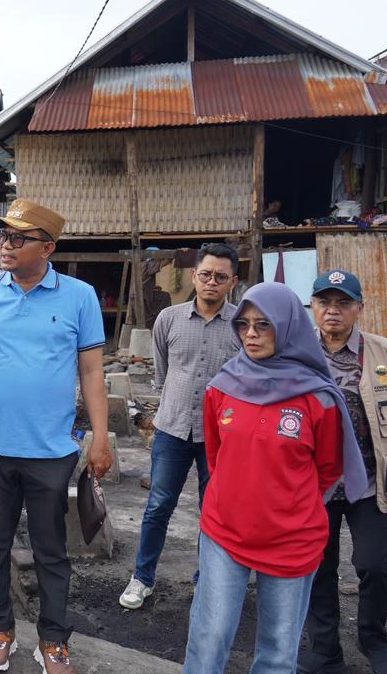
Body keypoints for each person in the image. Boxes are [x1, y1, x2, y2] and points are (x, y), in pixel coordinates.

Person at [0, 199, 114, 674]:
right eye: (3, 236)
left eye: (18, 238)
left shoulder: (79, 296)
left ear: (47, 248)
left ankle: (53, 639)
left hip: (51, 451)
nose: (5, 244)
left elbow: (91, 371)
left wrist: (100, 436)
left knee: (51, 550)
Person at [182, 282, 368, 674]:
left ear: (287, 326)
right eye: (244, 324)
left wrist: (284, 503)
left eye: (263, 324)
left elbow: (328, 470)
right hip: (225, 530)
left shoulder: (317, 397)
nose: (250, 334)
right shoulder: (221, 388)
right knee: (210, 635)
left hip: (291, 538)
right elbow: (216, 456)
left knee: (278, 651)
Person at [299, 270, 387, 674]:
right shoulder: (295, 352)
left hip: (370, 482)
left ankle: (373, 639)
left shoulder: (386, 353)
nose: (332, 310)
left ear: (359, 308)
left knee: (374, 566)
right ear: (313, 307)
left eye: (343, 302)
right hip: (315, 485)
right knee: (319, 567)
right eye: (324, 302)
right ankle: (325, 649)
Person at [119, 242, 239, 611]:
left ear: (233, 281)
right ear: (194, 276)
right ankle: (142, 577)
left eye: (220, 277)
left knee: (214, 512)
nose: (211, 282)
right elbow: (163, 372)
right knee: (158, 505)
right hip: (172, 429)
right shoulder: (168, 319)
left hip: (220, 437)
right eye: (206, 274)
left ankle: (207, 582)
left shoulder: (241, 325)